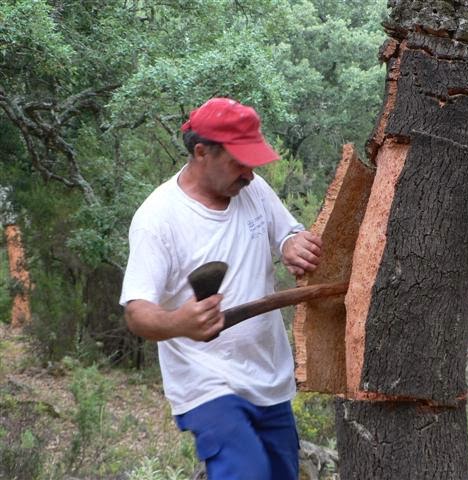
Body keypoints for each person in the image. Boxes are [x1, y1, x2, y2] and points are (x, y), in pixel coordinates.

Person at [119, 97, 322, 480]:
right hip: (206, 381)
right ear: (201, 152)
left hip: (270, 378)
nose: (248, 174)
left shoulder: (254, 189)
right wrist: (179, 322)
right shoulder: (158, 219)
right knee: (246, 471)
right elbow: (137, 312)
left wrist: (292, 242)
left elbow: (288, 232)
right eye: (238, 162)